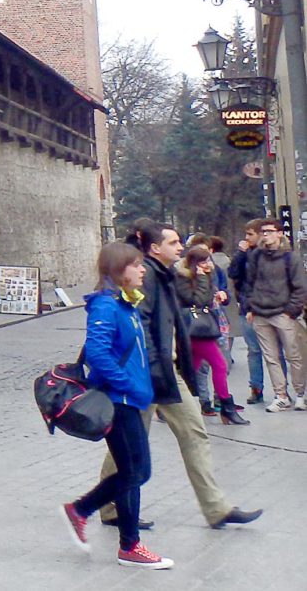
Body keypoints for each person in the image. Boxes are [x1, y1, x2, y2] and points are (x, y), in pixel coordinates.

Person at [98, 219, 261, 530]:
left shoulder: (166, 275)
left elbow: (193, 305)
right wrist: (143, 375)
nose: (180, 247)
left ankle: (216, 508)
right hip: (145, 375)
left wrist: (203, 278)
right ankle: (108, 506)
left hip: (168, 372)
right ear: (155, 247)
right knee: (130, 446)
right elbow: (139, 329)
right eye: (173, 243)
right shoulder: (142, 276)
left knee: (194, 433)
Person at [60, 242, 172, 568]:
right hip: (118, 402)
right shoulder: (107, 307)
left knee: (132, 472)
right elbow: (98, 354)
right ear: (118, 270)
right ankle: (83, 512)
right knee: (137, 472)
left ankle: (128, 544)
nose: (142, 270)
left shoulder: (125, 304)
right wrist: (129, 385)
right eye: (136, 265)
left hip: (129, 399)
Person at [173, 246, 248, 425]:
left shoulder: (209, 275)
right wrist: (201, 278)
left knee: (194, 367)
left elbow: (209, 299)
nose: (209, 265)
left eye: (209, 260)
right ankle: (226, 407)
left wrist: (220, 294)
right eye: (204, 261)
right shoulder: (182, 277)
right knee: (220, 365)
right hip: (194, 328)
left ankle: (175, 403)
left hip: (207, 325)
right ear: (194, 263)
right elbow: (196, 301)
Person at [242, 218, 307, 412]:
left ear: (280, 233)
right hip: (261, 312)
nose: (266, 235)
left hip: (283, 312)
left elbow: (300, 287)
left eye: (270, 231)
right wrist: (250, 307)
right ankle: (281, 395)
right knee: (271, 357)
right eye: (263, 232)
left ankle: (300, 394)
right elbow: (249, 282)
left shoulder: (290, 258)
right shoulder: (256, 256)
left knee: (293, 355)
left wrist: (291, 311)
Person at [228, 219, 287, 404]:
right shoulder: (246, 254)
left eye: (250, 234)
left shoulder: (275, 254)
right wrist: (240, 253)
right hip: (249, 308)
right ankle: (256, 387)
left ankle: (282, 390)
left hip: (273, 308)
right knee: (254, 350)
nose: (246, 238)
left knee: (277, 352)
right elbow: (234, 273)